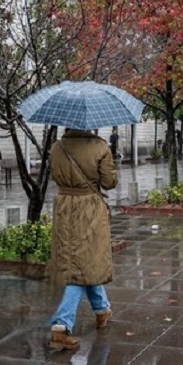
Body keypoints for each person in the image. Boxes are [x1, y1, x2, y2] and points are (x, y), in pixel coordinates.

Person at [48, 128, 118, 350]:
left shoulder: (57, 147)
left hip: (63, 207)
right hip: (88, 209)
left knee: (82, 261)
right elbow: (109, 182)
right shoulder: (99, 146)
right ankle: (61, 325)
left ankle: (102, 309)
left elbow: (54, 175)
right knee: (82, 264)